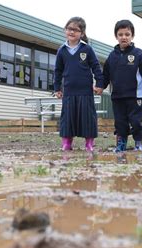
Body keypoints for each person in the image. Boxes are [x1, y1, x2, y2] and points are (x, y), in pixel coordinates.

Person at [100, 20, 142, 153]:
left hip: (135, 96)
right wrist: (99, 86)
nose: (124, 37)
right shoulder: (112, 56)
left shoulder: (138, 54)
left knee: (136, 121)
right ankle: (121, 144)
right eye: (121, 34)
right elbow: (105, 75)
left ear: (132, 36)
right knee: (120, 123)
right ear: (116, 36)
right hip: (117, 97)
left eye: (127, 34)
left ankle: (138, 143)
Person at [54, 17, 104, 152]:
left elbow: (96, 67)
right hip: (69, 91)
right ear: (65, 30)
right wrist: (57, 88)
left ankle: (89, 143)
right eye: (69, 29)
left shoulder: (87, 49)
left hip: (85, 91)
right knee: (67, 118)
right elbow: (57, 71)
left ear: (82, 33)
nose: (72, 32)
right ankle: (67, 143)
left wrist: (100, 83)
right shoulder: (62, 50)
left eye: (76, 30)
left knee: (88, 117)